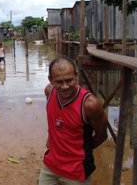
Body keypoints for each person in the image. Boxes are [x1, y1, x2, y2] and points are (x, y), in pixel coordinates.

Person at [38, 57, 107, 185]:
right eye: (59, 82)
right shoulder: (49, 92)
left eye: (69, 80)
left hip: (76, 172)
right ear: (50, 80)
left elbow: (102, 136)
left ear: (76, 75)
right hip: (51, 166)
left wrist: (79, 150)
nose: (64, 86)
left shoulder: (89, 105)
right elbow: (54, 121)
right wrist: (51, 138)